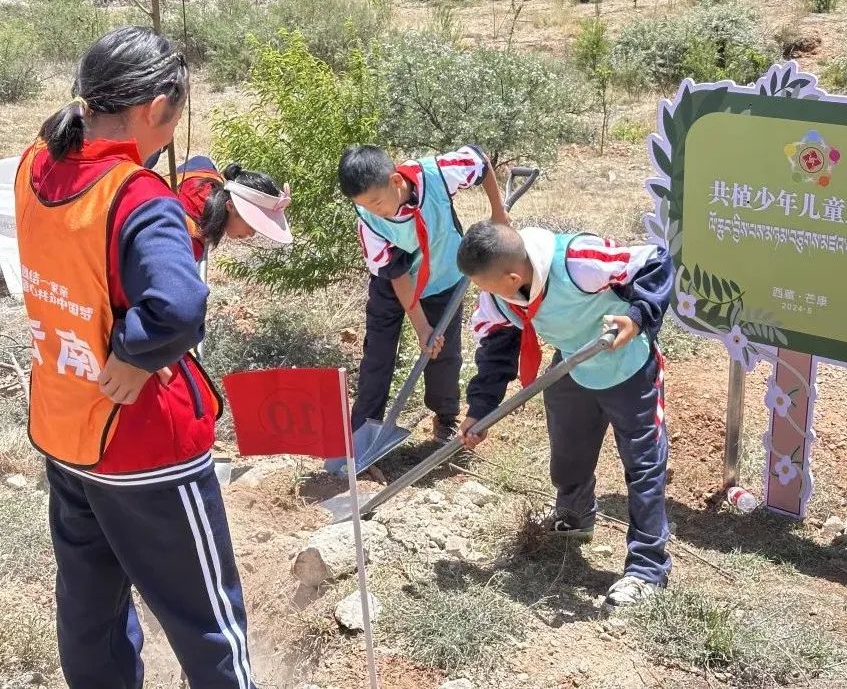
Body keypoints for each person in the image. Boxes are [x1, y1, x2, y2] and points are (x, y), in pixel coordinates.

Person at [13, 26, 256, 688]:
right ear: (156, 108)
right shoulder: (135, 193)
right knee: (208, 621)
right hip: (145, 444)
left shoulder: (35, 164)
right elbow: (177, 305)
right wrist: (136, 352)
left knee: (90, 614)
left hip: (66, 427)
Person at [456, 221, 674, 608]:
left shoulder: (577, 262)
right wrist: (480, 410)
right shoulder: (499, 296)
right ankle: (575, 517)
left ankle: (647, 568)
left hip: (630, 368)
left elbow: (654, 261)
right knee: (569, 452)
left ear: (513, 277)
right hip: (574, 366)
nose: (483, 295)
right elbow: (496, 347)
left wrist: (637, 317)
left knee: (643, 466)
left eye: (486, 286)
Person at [325, 144, 506, 474]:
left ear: (396, 181)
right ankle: (362, 433)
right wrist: (421, 327)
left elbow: (480, 159)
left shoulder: (438, 174)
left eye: (376, 202)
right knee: (378, 357)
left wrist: (499, 214)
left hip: (443, 277)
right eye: (363, 205)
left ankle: (445, 418)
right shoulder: (369, 222)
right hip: (393, 285)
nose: (373, 211)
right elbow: (397, 275)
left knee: (444, 353)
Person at [169, 155, 293, 259]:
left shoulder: (210, 177)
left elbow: (201, 160)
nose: (251, 234)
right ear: (230, 206)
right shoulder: (190, 241)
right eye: (251, 225)